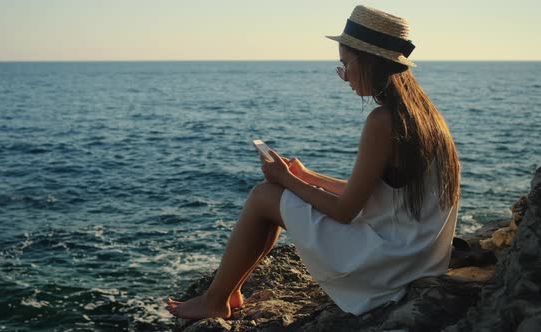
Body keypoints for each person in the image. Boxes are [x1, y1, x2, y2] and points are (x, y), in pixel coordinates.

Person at [166, 5, 461, 319]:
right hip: (418, 258)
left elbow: (345, 211)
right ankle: (230, 290)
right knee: (273, 196)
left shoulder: (383, 121)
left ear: (369, 61)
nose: (342, 75)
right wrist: (307, 176)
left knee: (263, 196)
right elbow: (373, 195)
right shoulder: (425, 116)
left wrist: (285, 179)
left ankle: (216, 299)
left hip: (388, 268)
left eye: (345, 64)